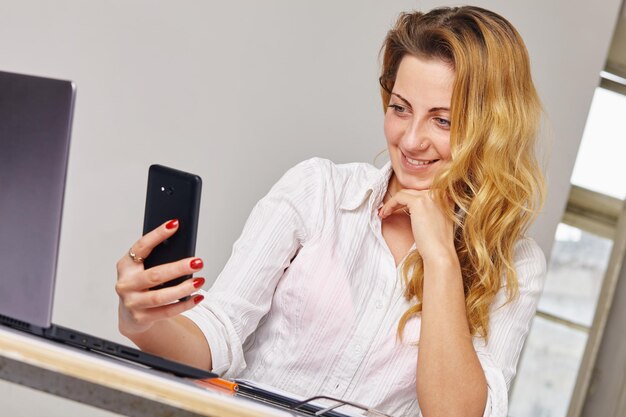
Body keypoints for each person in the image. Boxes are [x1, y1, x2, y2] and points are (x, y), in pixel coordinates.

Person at [116, 6, 546, 417]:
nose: (411, 140)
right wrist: (144, 323)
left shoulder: (516, 265)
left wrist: (440, 258)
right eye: (400, 108)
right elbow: (220, 333)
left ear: (493, 128)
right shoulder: (318, 190)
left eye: (444, 121)